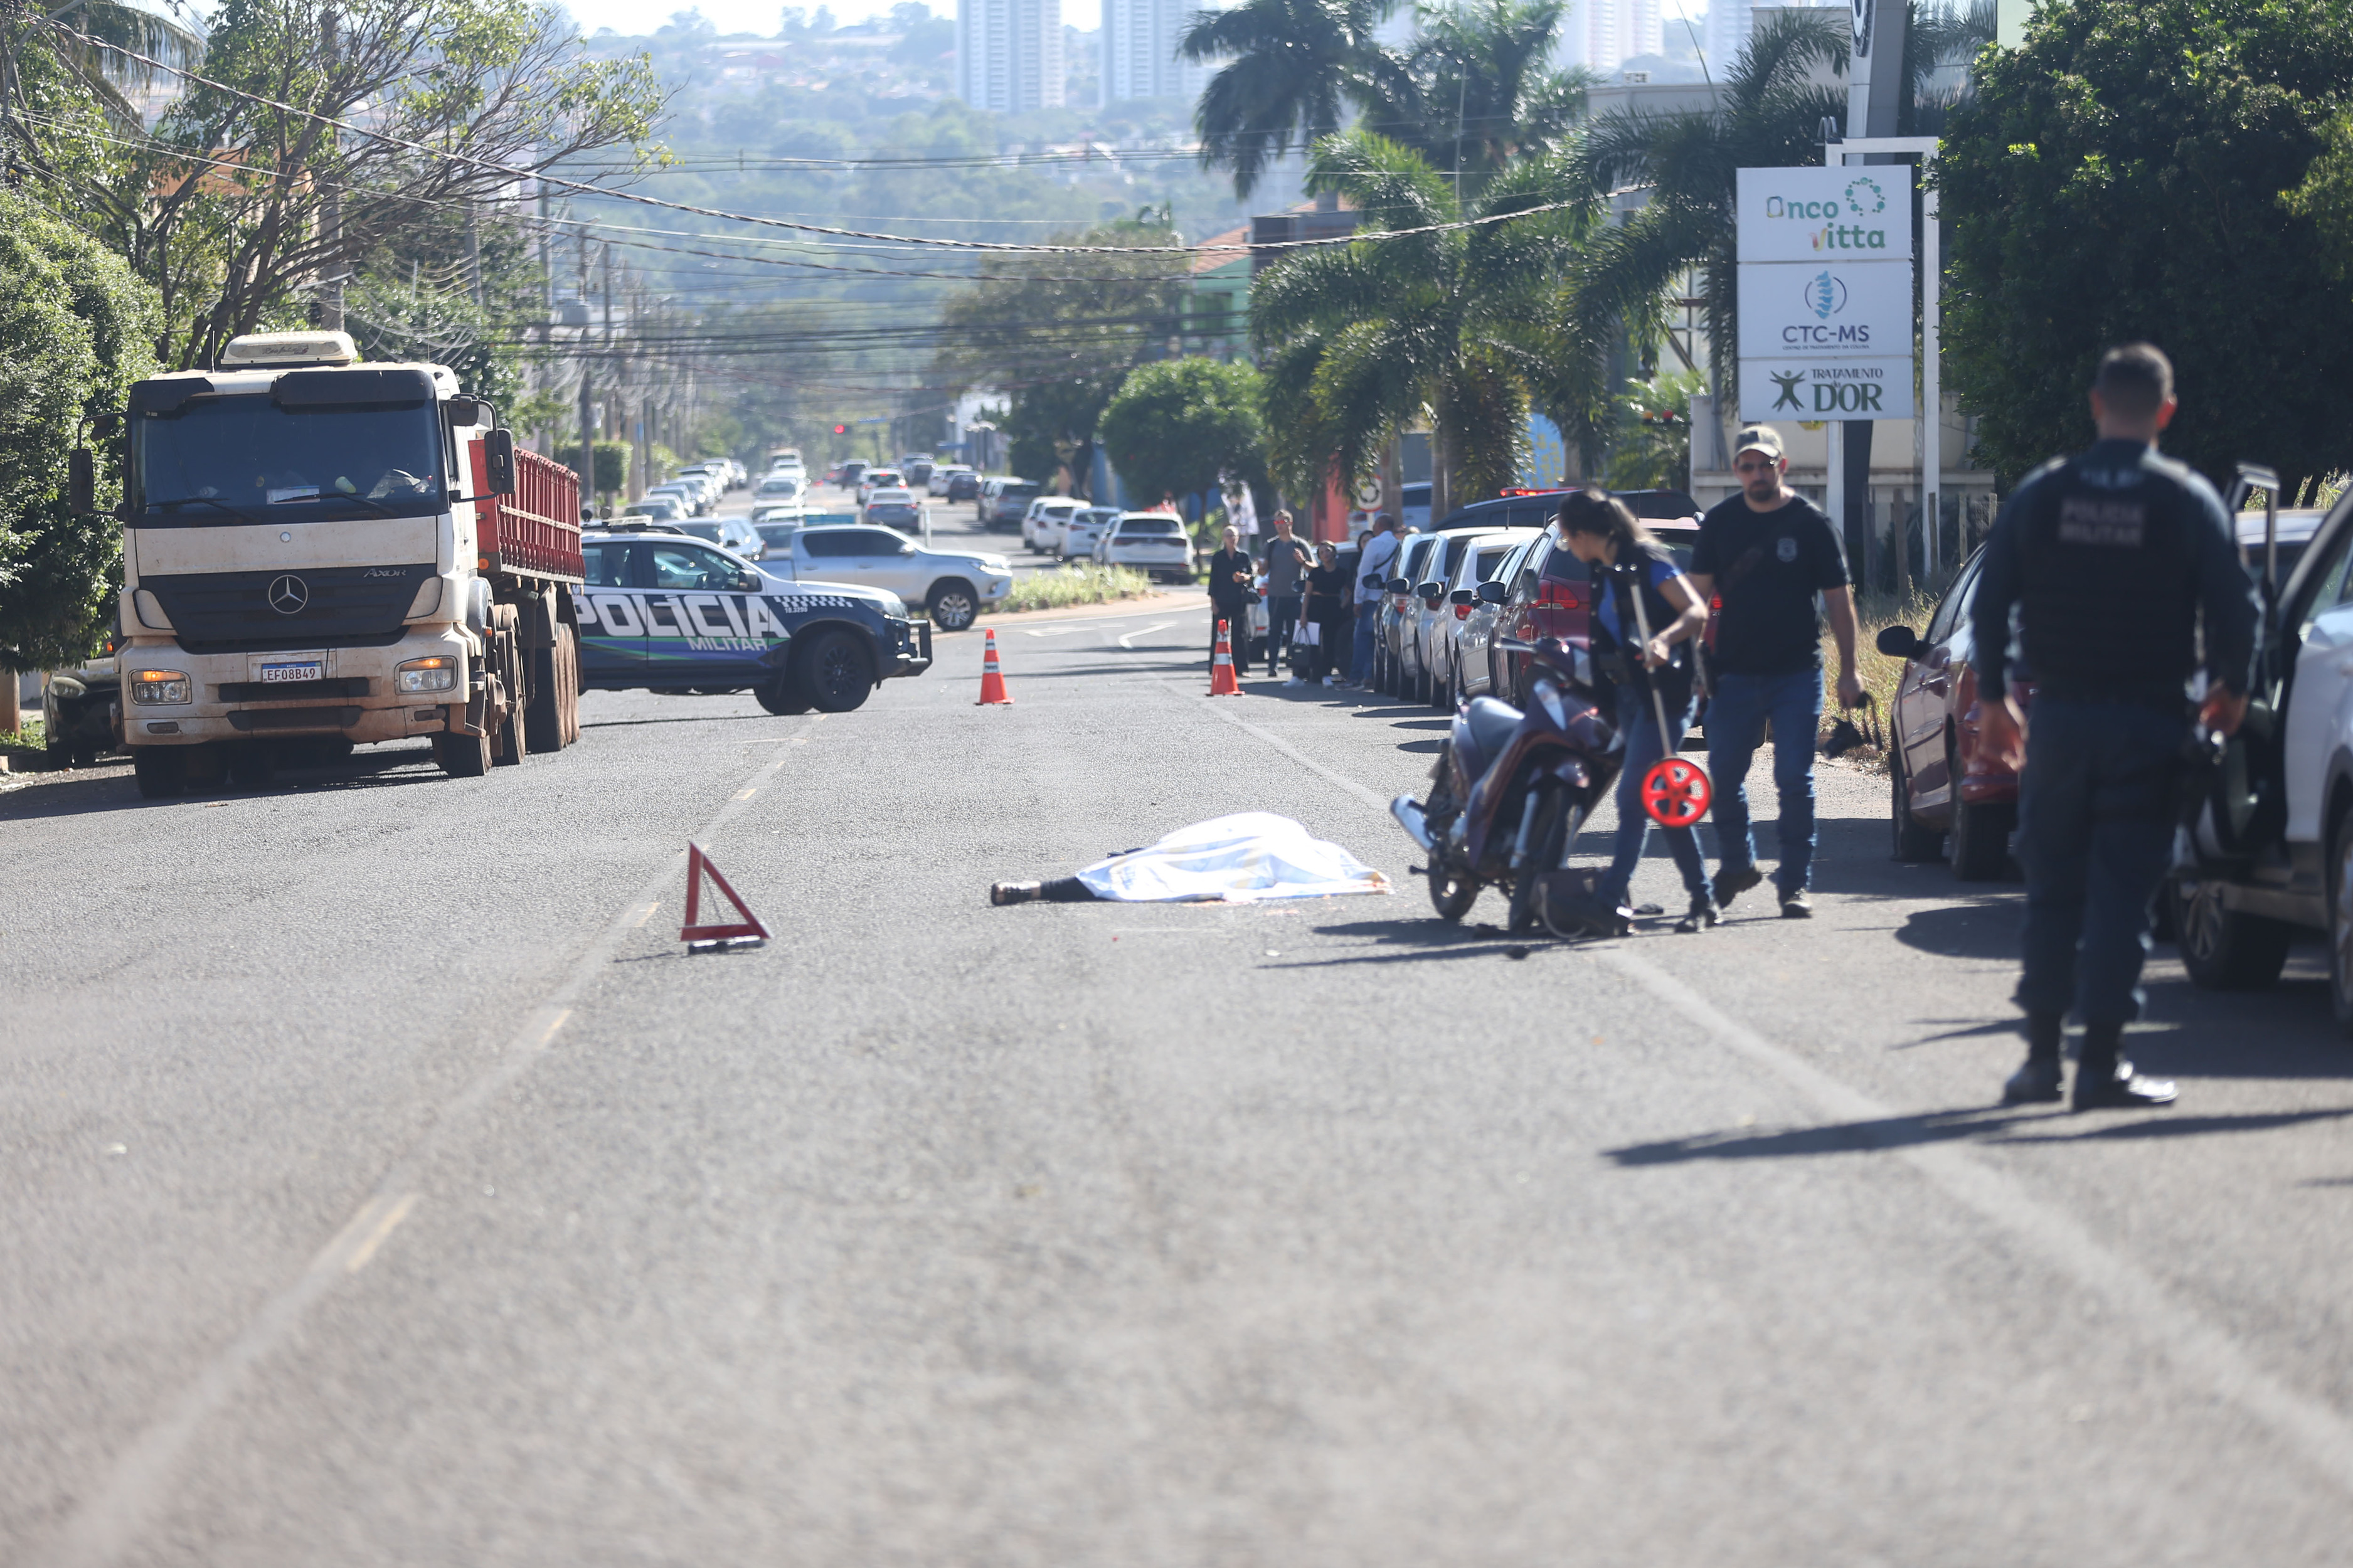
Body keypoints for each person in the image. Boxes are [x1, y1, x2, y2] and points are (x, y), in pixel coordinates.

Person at [1972, 342, 2258, 1111]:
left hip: (2058, 720)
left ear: (2096, 404)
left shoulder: (2042, 493)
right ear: (2165, 412)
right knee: (2122, 897)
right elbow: (2237, 611)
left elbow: (1990, 599)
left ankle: (2037, 1062)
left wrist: (1995, 700)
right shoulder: (2187, 498)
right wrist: (2233, 691)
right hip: (2149, 720)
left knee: (2053, 890)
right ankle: (2100, 1066)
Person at [1686, 424, 1863, 919]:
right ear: (1736, 470)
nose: (1758, 473)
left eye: (1766, 464)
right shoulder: (1720, 523)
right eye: (1748, 465)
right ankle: (1738, 863)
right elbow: (1696, 598)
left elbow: (1839, 602)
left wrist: (1850, 671)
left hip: (1795, 673)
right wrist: (1685, 655)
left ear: (1781, 466)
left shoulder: (1810, 524)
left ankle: (1793, 884)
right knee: (1722, 774)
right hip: (1732, 675)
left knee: (1792, 776)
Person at [1552, 489, 1719, 933]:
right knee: (1663, 796)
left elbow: (1695, 611)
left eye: (1568, 537)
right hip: (1628, 696)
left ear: (1584, 533)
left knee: (1634, 797)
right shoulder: (1601, 570)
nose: (1568, 546)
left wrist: (1664, 640)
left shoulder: (1646, 559)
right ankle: (1703, 899)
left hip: (1664, 697)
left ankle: (1606, 902)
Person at [1349, 514, 1401, 689]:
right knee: (1385, 642)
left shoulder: (1374, 544)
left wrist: (1357, 600)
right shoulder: (1398, 545)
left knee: (1363, 639)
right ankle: (1375, 677)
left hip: (1371, 598)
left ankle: (1358, 677)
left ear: (1379, 526)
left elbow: (1364, 573)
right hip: (1390, 599)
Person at [1261, 511, 1310, 680]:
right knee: (1274, 631)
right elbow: (1263, 570)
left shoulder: (1300, 544)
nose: (1280, 525)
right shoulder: (1271, 545)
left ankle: (1295, 667)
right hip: (1276, 595)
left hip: (1295, 596)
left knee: (1293, 633)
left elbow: (1314, 569)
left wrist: (1302, 561)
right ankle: (1272, 666)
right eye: (1276, 522)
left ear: (1290, 522)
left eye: (1282, 521)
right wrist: (1261, 568)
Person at [1205, 526, 1255, 670]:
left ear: (1238, 537)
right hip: (1221, 601)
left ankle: (1241, 668)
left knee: (1240, 634)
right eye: (1228, 536)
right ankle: (1215, 667)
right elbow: (1213, 581)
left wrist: (1245, 577)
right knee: (1219, 634)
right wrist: (1213, 603)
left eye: (1233, 535)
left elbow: (1252, 577)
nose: (1231, 539)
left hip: (1239, 601)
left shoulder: (1243, 557)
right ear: (1223, 538)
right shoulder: (1218, 557)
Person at [1302, 541, 1352, 686]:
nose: (1326, 554)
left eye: (1328, 551)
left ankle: (1327, 674)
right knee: (1312, 641)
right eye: (1322, 552)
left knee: (1329, 642)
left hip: (1333, 605)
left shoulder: (1342, 572)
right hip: (1316, 605)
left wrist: (1341, 607)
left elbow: (1349, 593)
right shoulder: (1316, 573)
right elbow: (1307, 594)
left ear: (1334, 553)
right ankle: (1311, 674)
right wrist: (1303, 614)